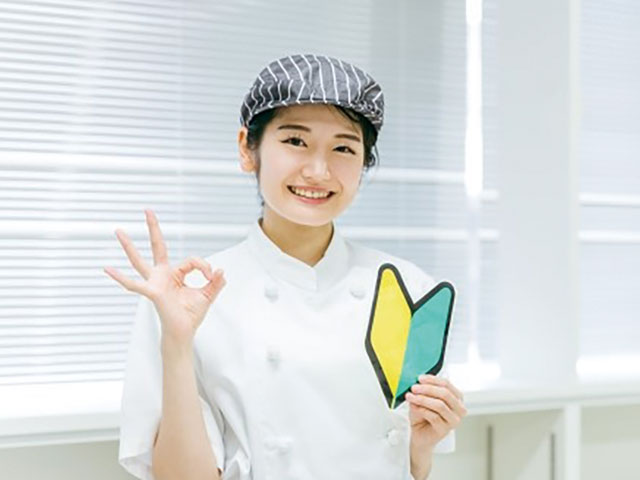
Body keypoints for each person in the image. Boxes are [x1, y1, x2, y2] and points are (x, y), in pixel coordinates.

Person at [106, 53, 467, 480]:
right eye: (295, 141)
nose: (318, 170)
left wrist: (420, 449)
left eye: (344, 148)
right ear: (247, 148)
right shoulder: (187, 300)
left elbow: (405, 466)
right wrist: (178, 344)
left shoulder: (408, 289)